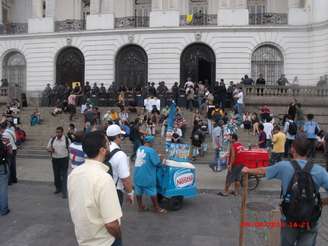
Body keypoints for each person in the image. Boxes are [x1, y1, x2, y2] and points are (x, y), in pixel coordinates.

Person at [242, 134, 328, 246]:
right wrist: (321, 202)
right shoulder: (319, 171)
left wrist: (248, 169)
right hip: (310, 220)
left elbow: (263, 170)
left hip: (289, 219)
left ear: (293, 149)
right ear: (308, 151)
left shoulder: (284, 166)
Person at [68, 131, 122, 246]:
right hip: (105, 242)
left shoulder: (74, 173)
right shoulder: (104, 178)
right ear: (102, 150)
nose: (109, 146)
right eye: (108, 143)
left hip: (83, 239)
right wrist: (118, 236)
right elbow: (111, 224)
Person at [134, 135, 167, 214]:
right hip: (147, 176)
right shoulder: (151, 150)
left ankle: (140, 206)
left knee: (138, 191)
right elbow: (157, 163)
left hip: (137, 174)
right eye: (153, 142)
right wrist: (161, 159)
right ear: (150, 142)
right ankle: (157, 208)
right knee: (152, 191)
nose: (153, 143)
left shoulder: (139, 148)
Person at [106, 124, 134, 207]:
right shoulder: (120, 155)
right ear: (118, 136)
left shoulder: (103, 149)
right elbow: (125, 179)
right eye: (121, 136)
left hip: (102, 188)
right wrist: (130, 193)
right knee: (114, 218)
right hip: (115, 191)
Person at [47, 127, 71, 199]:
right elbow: (48, 148)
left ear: (62, 132)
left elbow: (70, 149)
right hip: (55, 159)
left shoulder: (67, 140)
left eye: (59, 132)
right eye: (57, 132)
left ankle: (64, 192)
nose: (58, 134)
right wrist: (50, 149)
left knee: (64, 175)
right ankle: (58, 188)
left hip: (64, 159)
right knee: (56, 175)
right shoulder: (53, 139)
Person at [0, 123, 10, 216]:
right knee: (2, 189)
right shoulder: (3, 140)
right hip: (2, 166)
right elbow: (8, 152)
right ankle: (3, 209)